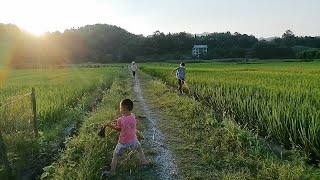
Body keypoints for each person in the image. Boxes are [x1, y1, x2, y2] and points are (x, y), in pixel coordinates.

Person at [102, 99, 147, 177]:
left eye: (120, 107)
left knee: (115, 155)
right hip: (133, 140)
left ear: (123, 109)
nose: (120, 109)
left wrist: (110, 125)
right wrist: (116, 120)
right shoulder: (133, 115)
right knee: (140, 150)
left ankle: (112, 172)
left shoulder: (120, 120)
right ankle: (145, 163)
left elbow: (118, 129)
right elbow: (125, 121)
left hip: (123, 143)